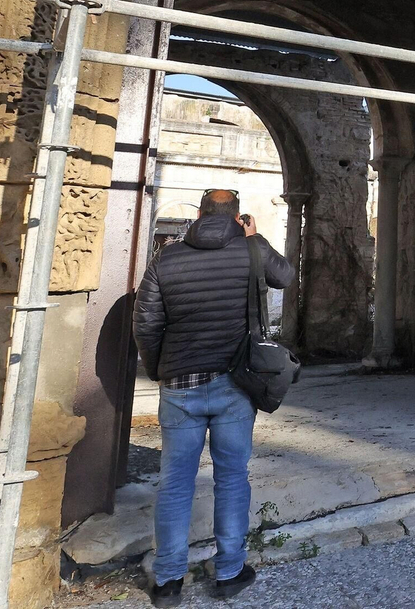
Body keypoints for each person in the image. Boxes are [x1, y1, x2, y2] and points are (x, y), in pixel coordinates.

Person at [134, 189, 292, 607]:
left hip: (179, 385)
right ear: (237, 216)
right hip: (234, 384)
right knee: (232, 477)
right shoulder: (249, 250)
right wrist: (254, 238)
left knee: (174, 482)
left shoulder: (167, 257)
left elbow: (145, 323)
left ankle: (168, 581)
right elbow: (285, 277)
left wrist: (160, 369)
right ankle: (229, 572)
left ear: (200, 213)